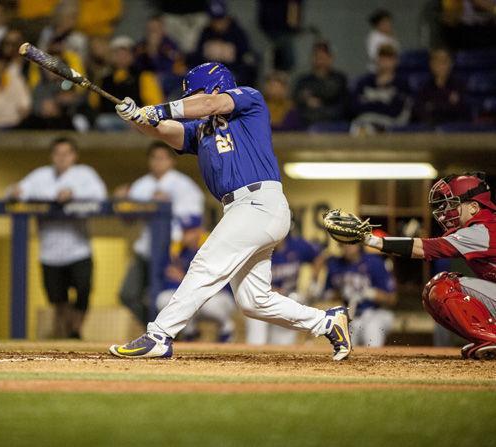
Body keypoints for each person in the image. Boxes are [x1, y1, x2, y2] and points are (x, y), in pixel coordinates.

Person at [110, 62, 352, 360]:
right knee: (253, 300)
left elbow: (207, 104)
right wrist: (136, 118)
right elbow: (165, 131)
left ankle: (160, 334)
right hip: (243, 209)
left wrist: (160, 109)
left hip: (259, 202)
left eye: (195, 94)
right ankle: (327, 321)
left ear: (214, 85)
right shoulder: (202, 129)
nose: (193, 100)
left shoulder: (248, 98)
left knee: (205, 264)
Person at [361, 172, 496, 359]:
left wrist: (370, 240)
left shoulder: (482, 230)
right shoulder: (484, 227)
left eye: (453, 204)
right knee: (435, 291)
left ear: (474, 207)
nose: (446, 210)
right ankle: (489, 341)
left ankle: (492, 339)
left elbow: (425, 248)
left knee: (443, 287)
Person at [6, 137, 106, 339]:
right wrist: (14, 191)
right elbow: (14, 192)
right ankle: (69, 332)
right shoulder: (40, 175)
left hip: (79, 249)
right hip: (49, 253)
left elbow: (101, 195)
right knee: (57, 298)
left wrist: (74, 193)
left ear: (74, 156)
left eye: (66, 153)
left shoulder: (84, 174)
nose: (62, 158)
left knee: (83, 292)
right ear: (52, 156)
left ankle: (75, 331)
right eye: (57, 153)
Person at [114, 140, 204, 325]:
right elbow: (128, 221)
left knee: (165, 299)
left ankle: (174, 332)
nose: (158, 162)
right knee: (128, 294)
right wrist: (121, 203)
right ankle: (156, 330)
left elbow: (194, 224)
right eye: (154, 158)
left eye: (162, 158)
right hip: (145, 251)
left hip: (172, 253)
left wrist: (166, 206)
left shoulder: (183, 185)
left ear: (172, 161)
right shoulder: (141, 185)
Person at [157, 215, 236, 342]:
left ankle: (225, 327)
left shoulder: (213, 247)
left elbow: (213, 283)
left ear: (199, 230)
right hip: (196, 297)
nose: (186, 234)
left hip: (218, 297)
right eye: (184, 231)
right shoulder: (177, 251)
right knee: (164, 299)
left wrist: (183, 277)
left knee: (207, 303)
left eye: (190, 230)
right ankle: (190, 333)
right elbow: (168, 280)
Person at [246, 234, 321, 345]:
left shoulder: (297, 245)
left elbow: (318, 257)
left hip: (287, 297)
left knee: (282, 345)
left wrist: (314, 281)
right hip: (261, 297)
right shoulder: (258, 248)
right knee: (256, 341)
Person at [321, 244, 397, 347]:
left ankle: (374, 361)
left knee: (372, 329)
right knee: (342, 348)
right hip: (350, 316)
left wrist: (371, 293)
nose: (347, 247)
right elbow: (327, 295)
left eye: (351, 243)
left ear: (359, 243)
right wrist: (341, 294)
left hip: (375, 314)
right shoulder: (335, 264)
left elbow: (392, 299)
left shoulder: (374, 262)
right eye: (344, 243)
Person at [92, 35, 164, 131]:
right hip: (108, 123)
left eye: (125, 53)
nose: (121, 57)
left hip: (138, 122)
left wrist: (140, 119)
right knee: (102, 121)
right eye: (117, 53)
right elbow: (93, 104)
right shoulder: (103, 79)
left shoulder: (144, 76)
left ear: (132, 56)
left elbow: (155, 105)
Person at [191, 0, 256, 86]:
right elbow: (198, 56)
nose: (218, 24)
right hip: (209, 74)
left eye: (220, 19)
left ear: (227, 17)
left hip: (233, 73)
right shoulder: (206, 33)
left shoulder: (237, 33)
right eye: (215, 20)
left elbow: (245, 56)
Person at [351, 44, 411, 134]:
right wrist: (381, 103)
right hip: (364, 121)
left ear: (396, 61)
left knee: (369, 130)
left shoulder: (401, 84)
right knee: (358, 128)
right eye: (382, 58)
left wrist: (370, 104)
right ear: (377, 60)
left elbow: (394, 111)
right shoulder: (364, 82)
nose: (385, 62)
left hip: (390, 125)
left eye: (389, 58)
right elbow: (354, 107)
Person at [293, 41, 348, 127]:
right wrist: (307, 101)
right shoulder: (303, 81)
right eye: (317, 56)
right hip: (308, 123)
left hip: (335, 122)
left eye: (324, 56)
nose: (320, 60)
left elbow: (343, 107)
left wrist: (320, 107)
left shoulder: (339, 79)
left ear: (331, 58)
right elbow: (297, 103)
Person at [412, 48, 469, 126]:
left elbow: (462, 112)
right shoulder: (424, 88)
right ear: (431, 64)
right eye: (437, 61)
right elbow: (419, 111)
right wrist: (447, 105)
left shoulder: (459, 86)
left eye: (444, 61)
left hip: (455, 131)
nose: (440, 65)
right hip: (430, 132)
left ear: (451, 63)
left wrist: (433, 106)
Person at [134, 15, 184, 97]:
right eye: (151, 30)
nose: (154, 33)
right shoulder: (141, 46)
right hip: (148, 81)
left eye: (156, 29)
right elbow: (138, 68)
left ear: (162, 29)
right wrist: (151, 52)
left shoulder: (170, 44)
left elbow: (175, 65)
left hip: (169, 79)